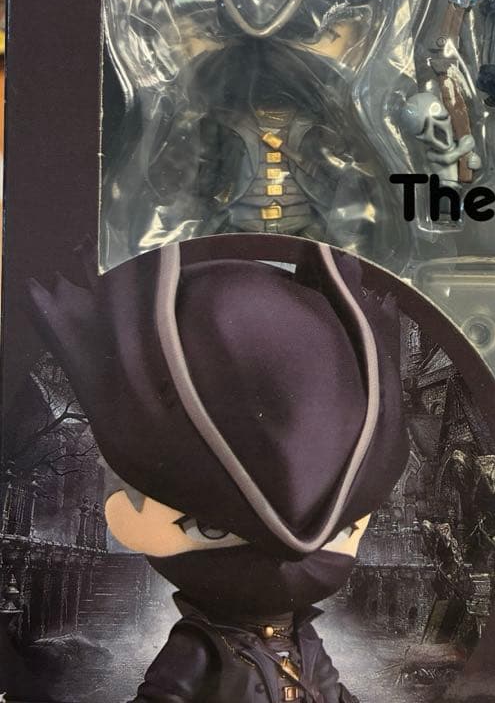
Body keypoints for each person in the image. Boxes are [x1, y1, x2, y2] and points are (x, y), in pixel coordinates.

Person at [29, 240, 409, 702]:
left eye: (339, 530)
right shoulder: (200, 647)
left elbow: (333, 693)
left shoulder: (304, 642)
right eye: (212, 528)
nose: (286, 561)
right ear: (125, 515)